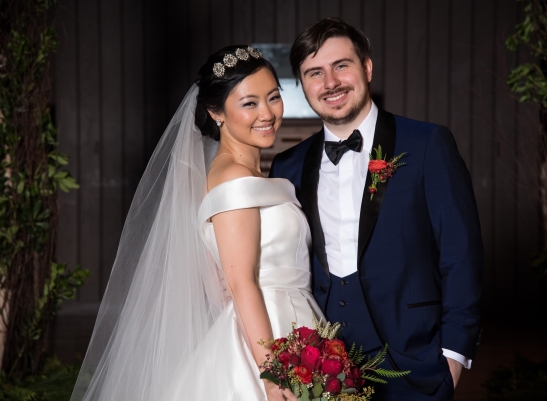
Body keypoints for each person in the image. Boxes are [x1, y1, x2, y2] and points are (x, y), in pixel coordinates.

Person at [69, 45, 323, 401]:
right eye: (249, 103)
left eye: (274, 97)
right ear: (215, 112)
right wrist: (271, 375)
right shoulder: (233, 178)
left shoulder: (246, 173)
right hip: (269, 337)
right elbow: (241, 283)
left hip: (291, 323)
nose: (267, 113)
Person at [269, 19, 484, 401]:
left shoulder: (427, 144)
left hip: (416, 359)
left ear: (366, 67)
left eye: (342, 65)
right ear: (303, 86)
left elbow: (461, 254)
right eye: (314, 73)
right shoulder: (286, 166)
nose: (330, 82)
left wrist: (453, 356)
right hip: (321, 365)